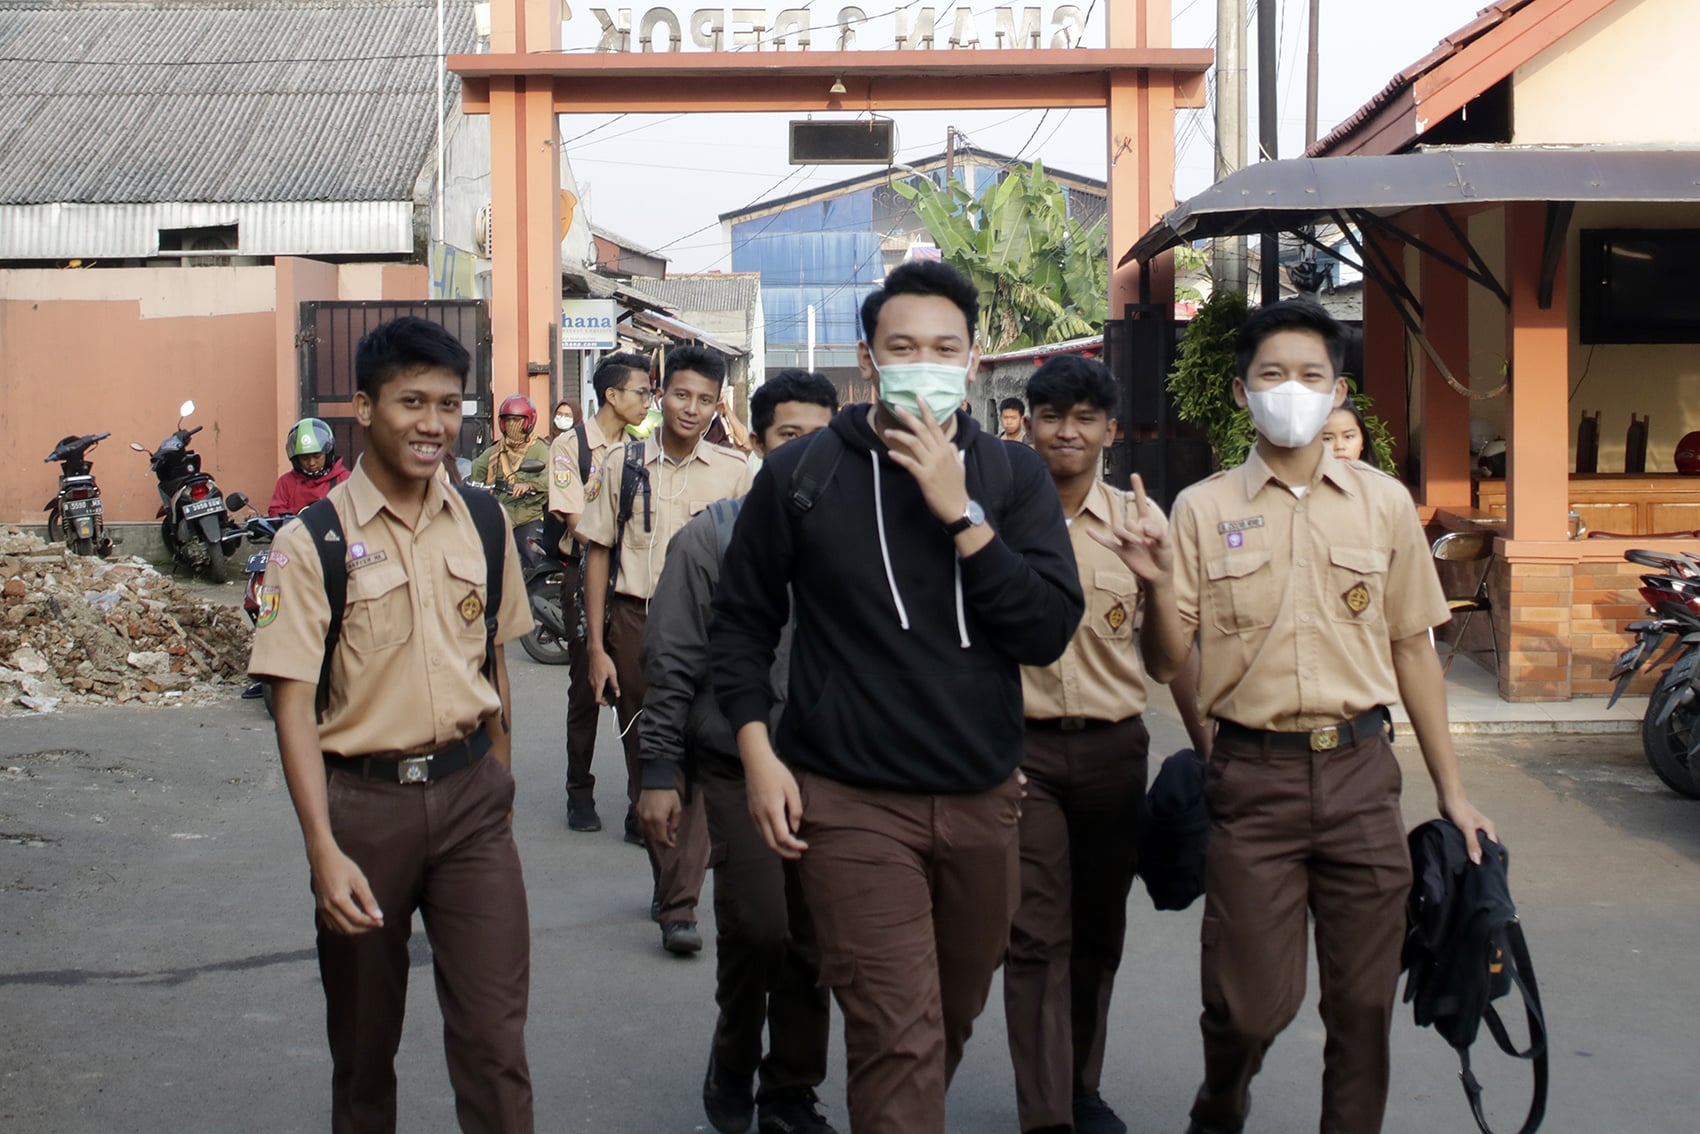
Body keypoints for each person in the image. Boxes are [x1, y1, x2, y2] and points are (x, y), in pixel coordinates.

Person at [1095, 299, 1496, 1134]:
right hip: (1252, 780)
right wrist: (1159, 582)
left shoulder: (1385, 504)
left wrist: (1452, 793)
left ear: (1336, 388)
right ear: (1241, 394)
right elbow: (1169, 662)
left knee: (1362, 1011)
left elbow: (1415, 651)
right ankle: (1221, 1102)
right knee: (1248, 1008)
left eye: (1310, 375)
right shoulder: (1201, 509)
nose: (1291, 390)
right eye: (1271, 375)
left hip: (1361, 776)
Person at [710, 260, 1084, 1133]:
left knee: (946, 1020)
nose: (926, 362)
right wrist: (760, 756)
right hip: (849, 803)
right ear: (869, 358)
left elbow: (1043, 630)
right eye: (903, 347)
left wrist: (962, 514)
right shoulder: (803, 474)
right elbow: (738, 627)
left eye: (945, 347)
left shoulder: (1015, 479)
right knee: (899, 1036)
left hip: (983, 798)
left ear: (976, 357)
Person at [248, 315, 534, 1132]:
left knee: (495, 1046)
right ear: (364, 408)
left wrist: (500, 780)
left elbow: (495, 663)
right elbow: (291, 702)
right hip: (365, 815)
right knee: (365, 1056)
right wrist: (322, 847)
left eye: (449, 403)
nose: (434, 424)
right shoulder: (313, 543)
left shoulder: (484, 521)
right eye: (413, 402)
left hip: (474, 801)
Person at [637, 369, 842, 1134]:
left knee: (813, 940)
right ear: (757, 443)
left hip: (833, 770)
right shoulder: (710, 538)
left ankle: (791, 1090)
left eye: (823, 437)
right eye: (791, 436)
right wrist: (660, 770)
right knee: (759, 929)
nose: (808, 453)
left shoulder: (860, 543)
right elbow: (672, 661)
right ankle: (733, 1053)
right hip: (733, 763)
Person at [1003, 355, 1191, 1134]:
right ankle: (1047, 1110)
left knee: (1097, 933)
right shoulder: (995, 521)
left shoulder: (1142, 522)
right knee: (1037, 931)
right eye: (1052, 416)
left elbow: (1168, 661)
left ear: (1111, 429)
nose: (1067, 431)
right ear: (1029, 425)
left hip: (1116, 753)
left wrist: (1161, 579)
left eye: (1085, 417)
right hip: (1022, 756)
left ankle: (1082, 1084)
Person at [580, 344, 753, 955]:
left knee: (703, 759)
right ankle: (670, 880)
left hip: (714, 634)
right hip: (635, 623)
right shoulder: (622, 464)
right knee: (647, 762)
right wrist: (597, 647)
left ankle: (678, 906)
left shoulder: (738, 473)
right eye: (681, 394)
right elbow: (598, 551)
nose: (692, 409)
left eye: (706, 399)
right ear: (660, 394)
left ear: (718, 403)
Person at [547, 352, 655, 834]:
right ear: (612, 395)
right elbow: (577, 521)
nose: (648, 401)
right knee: (586, 686)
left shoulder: (642, 449)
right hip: (586, 572)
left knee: (636, 687)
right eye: (642, 392)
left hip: (633, 579)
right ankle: (578, 792)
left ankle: (639, 804)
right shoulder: (570, 447)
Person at [471, 395, 550, 529]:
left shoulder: (540, 448)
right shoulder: (495, 450)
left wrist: (530, 485)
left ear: (528, 422)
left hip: (527, 516)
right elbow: (477, 468)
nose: (512, 425)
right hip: (497, 515)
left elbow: (550, 476)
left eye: (517, 420)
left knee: (530, 549)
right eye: (508, 420)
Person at [267, 417, 351, 516]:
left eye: (317, 456)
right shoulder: (286, 482)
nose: (311, 463)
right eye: (304, 458)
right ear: (296, 459)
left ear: (328, 453)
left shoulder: (346, 480)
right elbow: (275, 514)